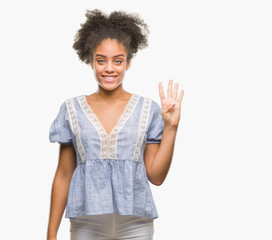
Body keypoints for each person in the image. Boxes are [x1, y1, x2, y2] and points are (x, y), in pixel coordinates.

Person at [47, 9, 184, 240]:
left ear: (128, 62)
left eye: (117, 61)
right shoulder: (72, 109)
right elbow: (63, 174)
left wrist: (171, 127)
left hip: (136, 225)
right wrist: (51, 234)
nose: (109, 68)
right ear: (91, 61)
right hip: (86, 224)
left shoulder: (147, 110)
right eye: (101, 60)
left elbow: (157, 177)